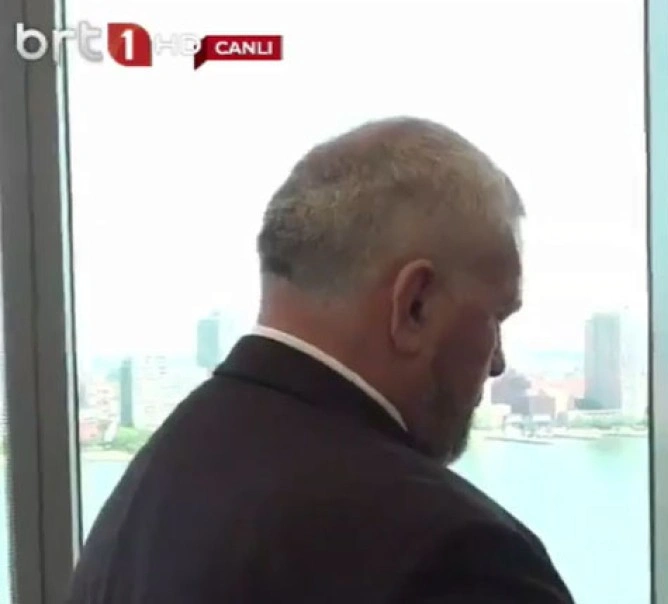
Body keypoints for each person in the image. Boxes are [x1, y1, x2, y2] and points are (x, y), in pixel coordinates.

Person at [68, 117, 575, 603]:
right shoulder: (460, 558)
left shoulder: (148, 495)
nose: (498, 363)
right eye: (496, 317)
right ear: (414, 305)